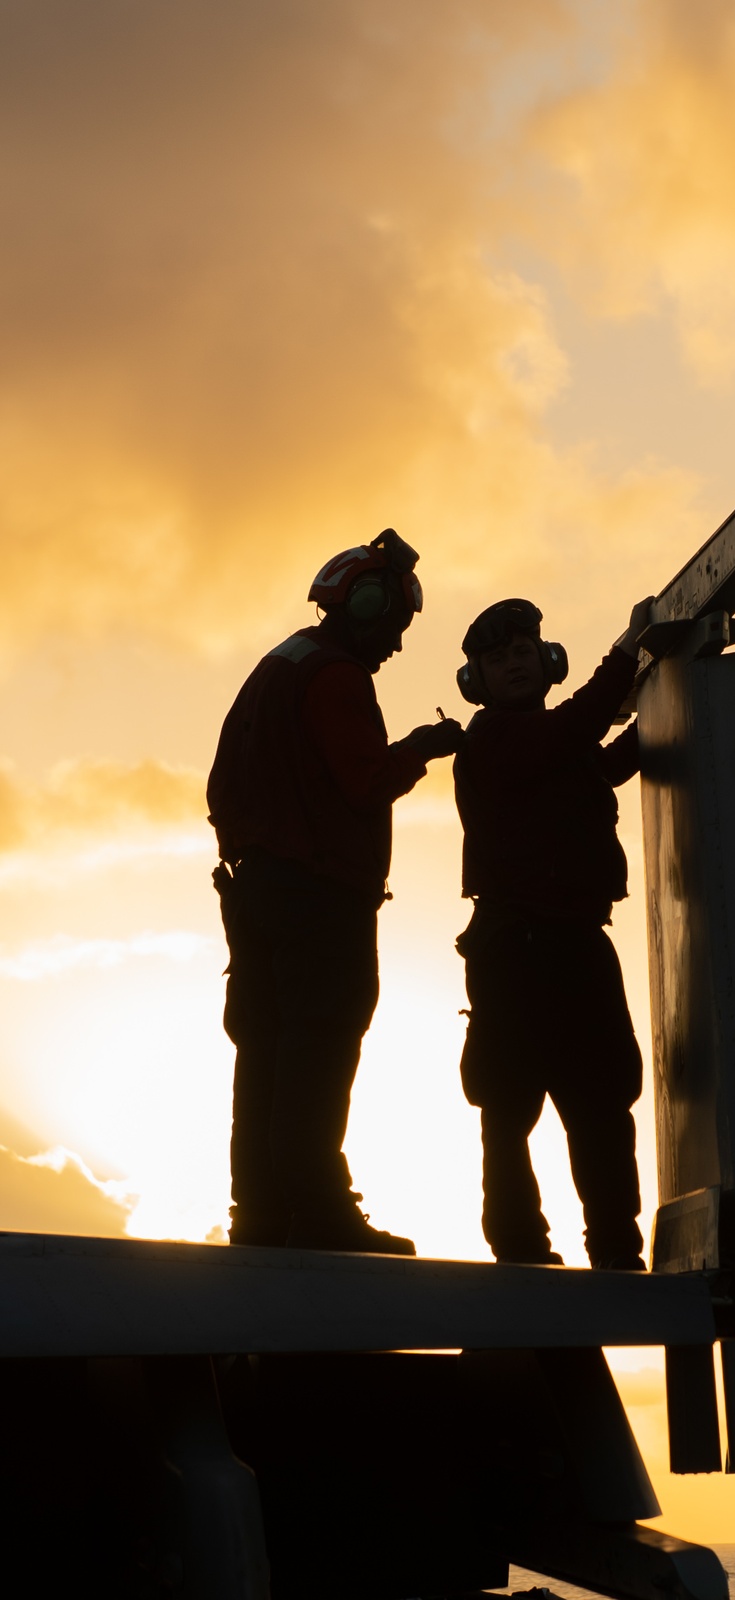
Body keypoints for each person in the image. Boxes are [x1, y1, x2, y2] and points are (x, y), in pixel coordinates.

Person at [207, 529, 462, 1252]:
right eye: (395, 624)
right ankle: (319, 1212)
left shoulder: (279, 664)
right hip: (318, 898)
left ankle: (259, 1217)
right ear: (368, 605)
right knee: (318, 1044)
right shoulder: (338, 676)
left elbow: (224, 785)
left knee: (263, 1050)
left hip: (256, 894)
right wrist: (423, 747)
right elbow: (366, 782)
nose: (398, 644)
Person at [453, 595, 652, 1270]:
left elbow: (603, 763)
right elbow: (573, 734)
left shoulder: (556, 745)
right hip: (518, 951)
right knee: (508, 1109)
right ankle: (521, 1252)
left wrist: (664, 700)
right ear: (476, 680)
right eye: (497, 658)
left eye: (521, 652)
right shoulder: (494, 739)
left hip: (576, 943)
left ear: (546, 662)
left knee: (602, 1105)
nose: (513, 664)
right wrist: (628, 654)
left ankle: (618, 1252)